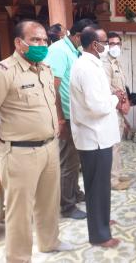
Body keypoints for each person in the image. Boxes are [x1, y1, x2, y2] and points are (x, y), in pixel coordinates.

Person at [0, 20, 74, 262]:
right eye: (35, 40)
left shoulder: (44, 68)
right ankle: (19, 258)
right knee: (19, 212)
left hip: (48, 148)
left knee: (48, 202)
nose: (42, 44)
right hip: (19, 154)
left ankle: (49, 242)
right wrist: (2, 141)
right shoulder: (2, 73)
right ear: (19, 43)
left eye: (44, 40)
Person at [70, 26, 122, 247]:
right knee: (96, 185)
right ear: (94, 45)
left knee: (100, 185)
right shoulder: (86, 68)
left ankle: (102, 219)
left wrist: (109, 96)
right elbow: (96, 106)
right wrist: (115, 99)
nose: (109, 46)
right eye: (106, 43)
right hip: (94, 136)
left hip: (99, 135)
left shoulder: (92, 64)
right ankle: (100, 235)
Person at [44, 18, 94, 220]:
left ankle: (74, 192)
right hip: (65, 116)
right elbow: (52, 87)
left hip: (75, 115)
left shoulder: (74, 51)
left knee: (74, 160)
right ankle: (66, 205)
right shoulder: (58, 51)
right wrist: (60, 118)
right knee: (67, 162)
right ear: (79, 36)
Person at [101, 31, 131, 191]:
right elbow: (107, 89)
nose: (115, 47)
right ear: (106, 45)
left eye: (117, 44)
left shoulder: (116, 62)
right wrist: (121, 105)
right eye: (111, 43)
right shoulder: (105, 63)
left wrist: (126, 103)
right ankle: (113, 180)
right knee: (113, 146)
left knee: (117, 145)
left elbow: (121, 87)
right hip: (112, 109)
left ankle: (117, 174)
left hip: (119, 109)